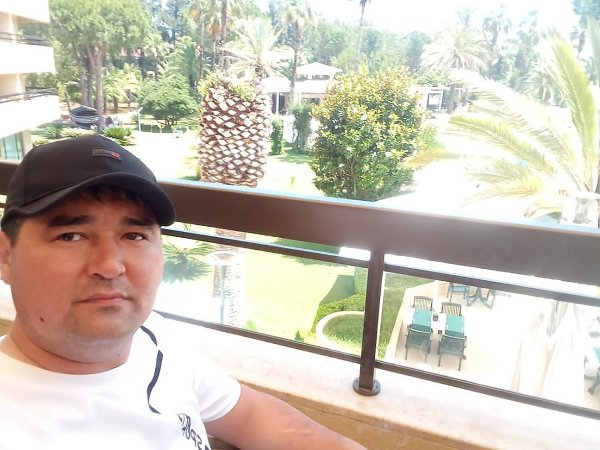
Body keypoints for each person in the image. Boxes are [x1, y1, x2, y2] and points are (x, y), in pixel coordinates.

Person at [0, 135, 366, 450]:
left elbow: (251, 415)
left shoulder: (153, 336)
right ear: (6, 257)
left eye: (134, 235)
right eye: (70, 236)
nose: (110, 265)